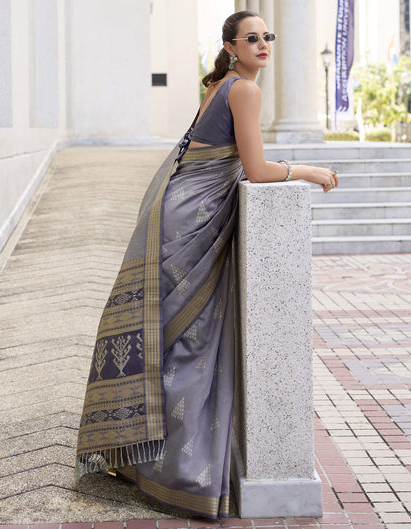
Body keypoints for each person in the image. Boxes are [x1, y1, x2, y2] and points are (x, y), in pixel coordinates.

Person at [75, 10, 338, 520]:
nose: (263, 44)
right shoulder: (244, 90)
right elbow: (256, 170)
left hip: (180, 209)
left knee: (170, 338)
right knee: (189, 343)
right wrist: (307, 170)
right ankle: (172, 472)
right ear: (231, 47)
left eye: (267, 36)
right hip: (192, 220)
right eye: (251, 38)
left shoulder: (221, 85)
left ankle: (139, 457)